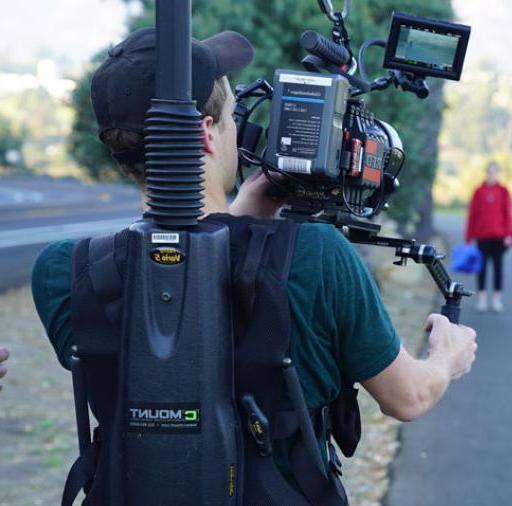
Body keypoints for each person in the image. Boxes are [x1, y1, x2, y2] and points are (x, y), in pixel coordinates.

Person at [30, 27, 476, 499]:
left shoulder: (64, 272)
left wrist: (242, 220)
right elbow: (408, 396)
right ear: (204, 134)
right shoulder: (318, 256)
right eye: (230, 118)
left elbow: (168, 308)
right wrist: (448, 356)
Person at [465, 161, 512, 312]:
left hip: (499, 237)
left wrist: (509, 235)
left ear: (497, 173)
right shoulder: (478, 191)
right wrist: (469, 237)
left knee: (498, 268)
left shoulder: (503, 191)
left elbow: (508, 214)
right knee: (481, 268)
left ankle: (496, 299)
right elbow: (472, 215)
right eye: (490, 172)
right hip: (482, 236)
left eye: (495, 172)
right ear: (486, 173)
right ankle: (481, 298)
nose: (492, 174)